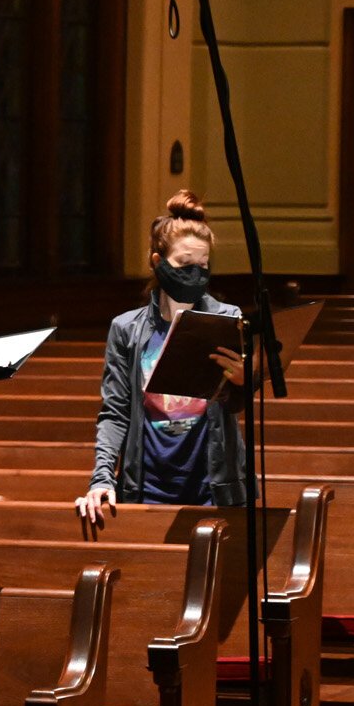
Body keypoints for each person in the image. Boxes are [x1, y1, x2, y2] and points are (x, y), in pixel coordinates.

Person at [78, 190, 249, 527]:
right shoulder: (126, 329)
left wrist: (245, 380)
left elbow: (235, 404)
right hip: (147, 486)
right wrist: (101, 478)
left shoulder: (227, 318)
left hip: (211, 487)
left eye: (203, 265)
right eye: (185, 264)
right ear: (158, 262)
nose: (196, 274)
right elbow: (115, 412)